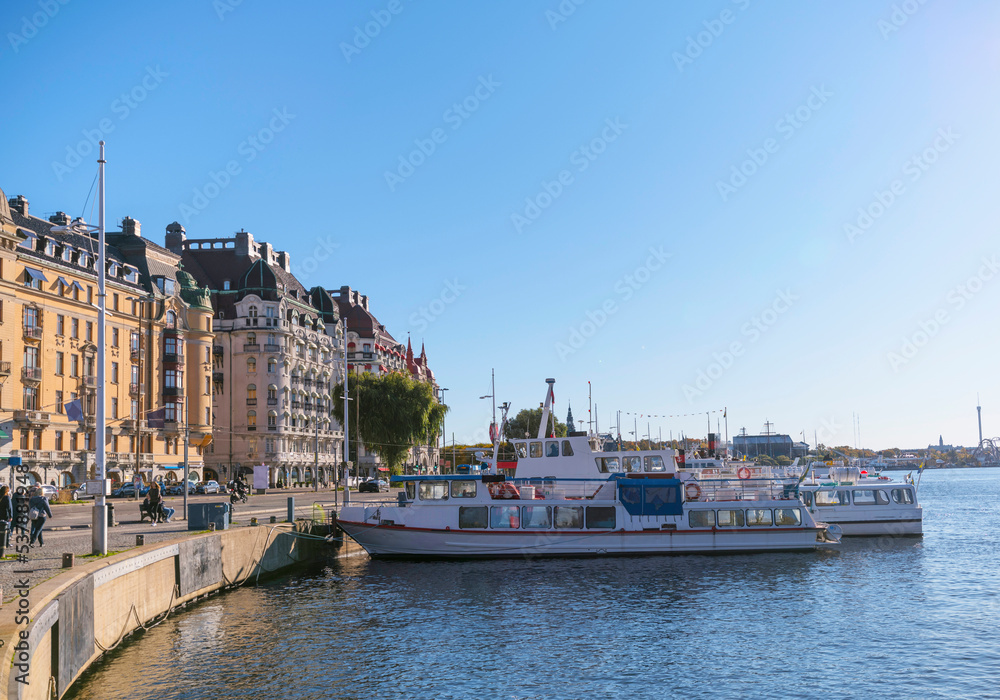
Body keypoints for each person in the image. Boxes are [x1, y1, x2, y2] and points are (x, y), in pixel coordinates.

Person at [0, 485, 12, 555]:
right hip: (5, 516)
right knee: (6, 530)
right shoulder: (7, 497)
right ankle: (6, 543)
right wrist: (11, 516)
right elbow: (9, 508)